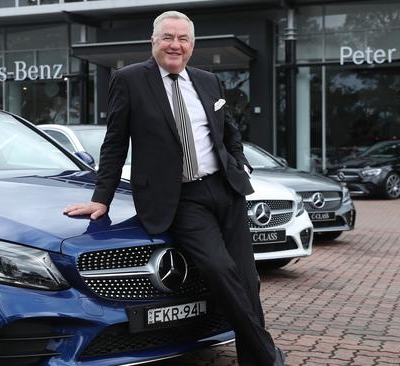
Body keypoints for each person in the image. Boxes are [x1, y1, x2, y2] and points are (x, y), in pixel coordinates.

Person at [64, 10, 284, 366]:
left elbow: (228, 130)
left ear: (192, 45)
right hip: (182, 198)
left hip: (226, 191)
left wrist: (238, 161)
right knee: (220, 271)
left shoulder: (208, 80)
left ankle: (256, 359)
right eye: (168, 37)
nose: (175, 45)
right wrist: (100, 199)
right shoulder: (129, 79)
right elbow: (115, 143)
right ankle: (269, 357)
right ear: (153, 41)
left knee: (248, 280)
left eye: (183, 39)